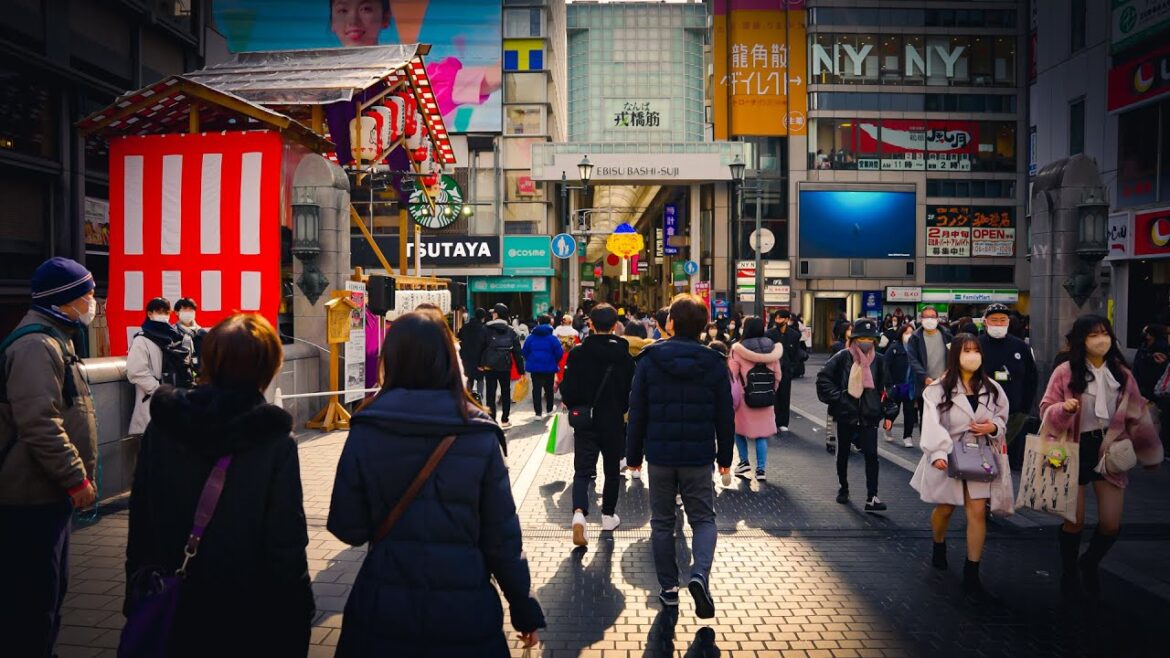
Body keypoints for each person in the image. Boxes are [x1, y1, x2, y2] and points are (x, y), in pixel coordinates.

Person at [328, 311, 544, 654]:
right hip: (466, 613)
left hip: (383, 610)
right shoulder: (479, 432)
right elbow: (502, 537)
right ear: (450, 357)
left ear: (391, 360)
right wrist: (523, 606)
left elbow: (347, 527)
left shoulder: (366, 427)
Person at [123, 314, 314, 656]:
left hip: (173, 602)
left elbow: (141, 520)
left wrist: (135, 591)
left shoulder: (164, 425)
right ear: (268, 367)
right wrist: (296, 616)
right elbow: (285, 540)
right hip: (245, 610)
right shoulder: (272, 440)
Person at [0, 257, 97, 657]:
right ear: (65, 300)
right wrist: (75, 478)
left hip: (46, 495)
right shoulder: (36, 345)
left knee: (50, 595)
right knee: (34, 600)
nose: (93, 303)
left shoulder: (56, 338)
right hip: (29, 497)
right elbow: (40, 422)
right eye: (88, 295)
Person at [1040, 315, 1162, 600]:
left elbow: (1137, 416)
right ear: (1082, 340)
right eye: (1094, 335)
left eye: (1105, 333)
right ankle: (1069, 572)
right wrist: (1064, 409)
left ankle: (1090, 562)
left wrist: (1150, 454)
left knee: (1110, 523)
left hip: (1109, 450)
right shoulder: (1064, 372)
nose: (1101, 340)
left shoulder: (1121, 374)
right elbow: (1046, 408)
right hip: (1071, 449)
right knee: (1075, 520)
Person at [627, 294, 734, 618]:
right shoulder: (714, 362)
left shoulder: (649, 359)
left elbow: (638, 411)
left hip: (659, 455)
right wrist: (725, 456)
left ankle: (669, 589)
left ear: (670, 322)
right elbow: (725, 415)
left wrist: (633, 455)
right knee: (703, 519)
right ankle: (699, 575)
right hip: (699, 456)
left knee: (662, 522)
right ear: (703, 326)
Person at [910, 334, 1010, 599]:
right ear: (956, 354)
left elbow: (1002, 417)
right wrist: (938, 452)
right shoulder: (938, 389)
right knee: (944, 508)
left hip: (979, 457)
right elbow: (931, 423)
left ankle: (971, 571)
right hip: (949, 455)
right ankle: (938, 544)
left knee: (977, 511)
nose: (973, 356)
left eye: (976, 350)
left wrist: (993, 427)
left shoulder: (992, 388)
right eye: (966, 351)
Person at [560, 304, 637, 546]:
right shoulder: (624, 356)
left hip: (585, 420)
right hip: (613, 420)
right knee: (612, 471)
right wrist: (621, 408)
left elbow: (568, 389)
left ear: (590, 324)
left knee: (583, 470)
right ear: (615, 326)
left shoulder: (578, 353)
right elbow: (630, 390)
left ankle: (579, 514)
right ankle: (607, 516)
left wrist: (577, 405)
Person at [816, 318, 898, 512]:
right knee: (842, 453)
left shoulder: (879, 360)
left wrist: (889, 413)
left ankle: (872, 496)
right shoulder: (843, 357)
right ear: (853, 339)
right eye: (861, 337)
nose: (866, 341)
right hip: (846, 415)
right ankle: (843, 487)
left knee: (871, 456)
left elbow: (886, 389)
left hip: (869, 415)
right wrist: (841, 398)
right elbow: (823, 379)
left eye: (870, 338)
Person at [977, 304, 1039, 469]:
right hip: (984, 414)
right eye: (994, 320)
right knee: (984, 462)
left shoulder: (1020, 347)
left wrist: (1025, 409)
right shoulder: (976, 345)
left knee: (1010, 463)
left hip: (1015, 414)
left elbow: (1031, 378)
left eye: (1002, 320)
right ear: (985, 322)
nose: (998, 323)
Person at [127, 297, 194, 436]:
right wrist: (159, 390)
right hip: (153, 402)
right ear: (149, 313)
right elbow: (136, 372)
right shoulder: (141, 340)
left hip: (176, 402)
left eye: (166, 311)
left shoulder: (177, 337)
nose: (163, 315)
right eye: (158, 311)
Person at [729, 317, 782, 482]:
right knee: (762, 435)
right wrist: (770, 391)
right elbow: (778, 376)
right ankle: (761, 469)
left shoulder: (738, 349)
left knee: (738, 430)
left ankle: (744, 461)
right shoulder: (773, 349)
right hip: (765, 397)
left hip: (746, 398)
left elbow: (732, 375)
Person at [479, 303, 524, 429]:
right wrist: (521, 370)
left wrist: (480, 364)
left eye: (494, 312)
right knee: (505, 392)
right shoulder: (511, 330)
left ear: (497, 314)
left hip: (489, 366)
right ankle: (505, 419)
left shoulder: (486, 328)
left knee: (490, 394)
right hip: (505, 366)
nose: (492, 314)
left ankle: (492, 420)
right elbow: (517, 351)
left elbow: (480, 347)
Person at [907, 307, 953, 426]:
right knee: (927, 417)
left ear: (937, 319)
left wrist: (948, 372)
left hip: (945, 382)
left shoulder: (946, 335)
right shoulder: (915, 337)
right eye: (926, 317)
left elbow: (953, 355)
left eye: (932, 316)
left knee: (945, 415)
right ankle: (926, 443)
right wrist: (924, 377)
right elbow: (913, 360)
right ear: (921, 319)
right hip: (925, 384)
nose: (929, 319)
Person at [766, 310, 802, 434]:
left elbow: (796, 354)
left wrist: (792, 368)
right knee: (774, 396)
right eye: (776, 318)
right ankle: (773, 422)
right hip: (772, 369)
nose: (778, 321)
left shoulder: (794, 335)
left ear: (787, 320)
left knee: (785, 396)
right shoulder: (769, 334)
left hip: (786, 370)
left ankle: (783, 423)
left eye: (781, 318)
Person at [521, 315, 563, 420]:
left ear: (538, 323)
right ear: (550, 323)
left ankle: (538, 413)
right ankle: (549, 410)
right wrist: (554, 361)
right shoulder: (553, 338)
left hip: (535, 368)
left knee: (536, 389)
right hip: (549, 367)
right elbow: (559, 353)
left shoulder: (531, 337)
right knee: (549, 389)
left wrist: (531, 359)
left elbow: (524, 352)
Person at [883, 323, 918, 448]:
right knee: (894, 410)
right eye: (906, 333)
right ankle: (888, 428)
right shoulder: (894, 348)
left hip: (911, 386)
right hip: (896, 385)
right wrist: (888, 384)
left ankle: (907, 437)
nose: (909, 335)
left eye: (912, 333)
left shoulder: (916, 349)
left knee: (909, 413)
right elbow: (885, 365)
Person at [458, 308, 489, 402]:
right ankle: (479, 398)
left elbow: (459, 338)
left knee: (469, 379)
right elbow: (485, 345)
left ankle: (468, 398)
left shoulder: (465, 327)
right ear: (483, 318)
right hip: (479, 360)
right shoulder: (484, 329)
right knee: (480, 380)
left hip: (466, 359)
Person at [174, 297, 207, 373]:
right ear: (176, 312)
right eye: (185, 309)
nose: (188, 312)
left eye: (191, 310)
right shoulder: (172, 333)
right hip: (180, 377)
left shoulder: (202, 333)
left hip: (201, 377)